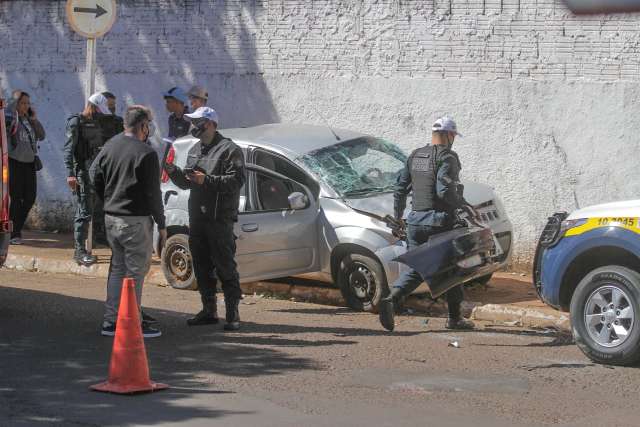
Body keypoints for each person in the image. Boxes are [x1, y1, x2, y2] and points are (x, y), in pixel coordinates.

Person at [379, 116, 476, 332]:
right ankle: (453, 317)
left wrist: (397, 218)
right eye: (454, 136)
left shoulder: (415, 156)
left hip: (415, 222)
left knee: (420, 266)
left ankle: (394, 300)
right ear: (450, 135)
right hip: (439, 222)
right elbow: (444, 190)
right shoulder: (448, 157)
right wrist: (462, 205)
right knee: (454, 267)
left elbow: (400, 188)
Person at [164, 107, 245, 331]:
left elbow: (236, 181)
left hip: (219, 219)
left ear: (209, 123)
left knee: (225, 266)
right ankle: (208, 310)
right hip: (198, 217)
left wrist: (206, 181)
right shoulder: (195, 149)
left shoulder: (230, 150)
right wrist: (172, 169)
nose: (193, 126)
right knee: (201, 265)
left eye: (197, 122)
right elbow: (186, 183)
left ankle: (232, 314)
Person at [90, 105, 167, 338]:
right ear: (143, 126)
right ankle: (131, 322)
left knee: (118, 270)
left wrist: (109, 199)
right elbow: (153, 194)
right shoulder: (146, 153)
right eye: (148, 124)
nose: (149, 129)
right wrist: (162, 225)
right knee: (134, 274)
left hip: (112, 218)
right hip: (135, 221)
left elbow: (94, 174)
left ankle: (111, 322)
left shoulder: (110, 145)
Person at [64, 92, 111, 266]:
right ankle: (79, 251)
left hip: (96, 173)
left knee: (97, 210)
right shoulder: (76, 122)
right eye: (98, 110)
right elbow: (68, 149)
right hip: (83, 173)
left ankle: (100, 239)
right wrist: (70, 173)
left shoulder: (97, 122)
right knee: (83, 212)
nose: (100, 113)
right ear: (92, 106)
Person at [5, 91, 45, 245]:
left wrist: (34, 119)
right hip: (14, 162)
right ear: (15, 104)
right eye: (23, 103)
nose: (26, 106)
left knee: (30, 198)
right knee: (16, 199)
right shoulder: (10, 119)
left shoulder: (29, 120)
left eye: (28, 103)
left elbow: (42, 135)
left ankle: (14, 228)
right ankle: (14, 233)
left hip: (29, 163)